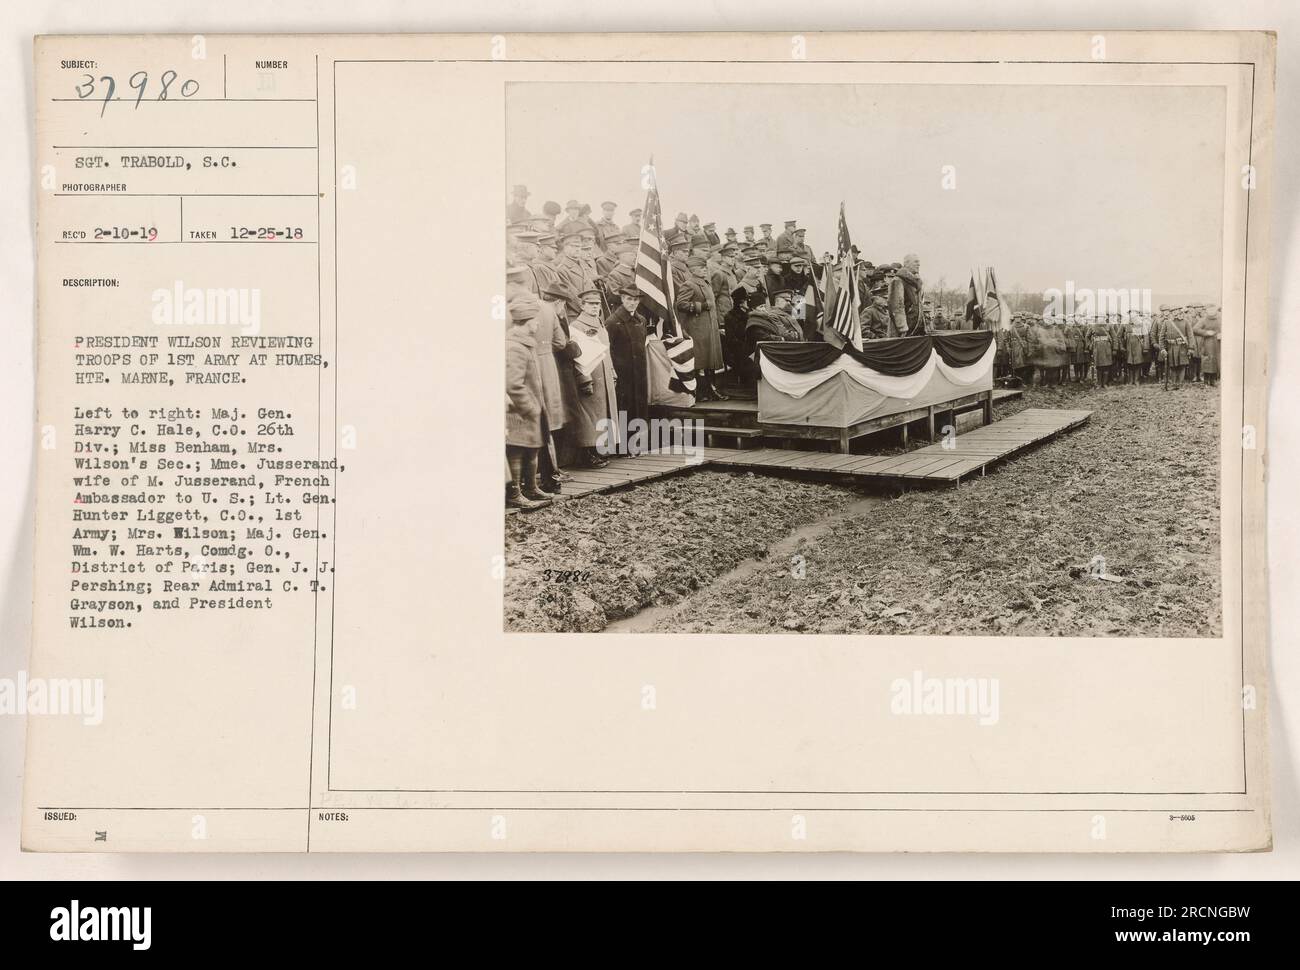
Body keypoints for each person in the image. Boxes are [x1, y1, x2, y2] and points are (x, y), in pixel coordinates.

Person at [504, 293, 552, 510]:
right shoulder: (515, 346)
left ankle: (531, 487)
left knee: (532, 449)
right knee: (517, 451)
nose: (537, 323)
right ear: (525, 321)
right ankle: (515, 492)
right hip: (519, 412)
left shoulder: (525, 343)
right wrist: (529, 406)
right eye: (534, 319)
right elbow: (513, 384)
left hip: (531, 410)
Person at [568, 288, 620, 465]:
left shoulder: (599, 323)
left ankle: (600, 449)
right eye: (590, 304)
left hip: (604, 374)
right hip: (590, 374)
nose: (594, 307)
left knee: (603, 413)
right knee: (590, 415)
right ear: (582, 306)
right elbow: (577, 357)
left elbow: (606, 350)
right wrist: (584, 379)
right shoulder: (576, 326)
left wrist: (612, 370)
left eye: (597, 303)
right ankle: (588, 453)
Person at [676, 255, 727, 401]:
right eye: (701, 268)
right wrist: (701, 307)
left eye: (705, 268)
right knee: (700, 361)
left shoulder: (705, 283)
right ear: (693, 270)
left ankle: (711, 390)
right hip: (697, 328)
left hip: (709, 327)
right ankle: (701, 391)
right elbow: (681, 304)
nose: (705, 270)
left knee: (710, 360)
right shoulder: (689, 284)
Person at [605, 286, 652, 435]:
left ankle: (639, 441)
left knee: (640, 403)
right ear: (622, 299)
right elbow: (609, 348)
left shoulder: (641, 320)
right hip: (623, 373)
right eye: (629, 299)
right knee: (625, 406)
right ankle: (624, 445)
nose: (632, 303)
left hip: (639, 371)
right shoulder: (613, 322)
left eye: (635, 300)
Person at [1194, 306, 1221, 386]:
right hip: (1207, 343)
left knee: (1216, 360)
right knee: (1207, 360)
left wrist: (1222, 334)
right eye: (1210, 310)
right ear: (1207, 311)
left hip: (1218, 343)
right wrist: (1206, 332)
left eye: (1213, 310)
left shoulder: (1219, 319)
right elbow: (1195, 329)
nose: (1211, 312)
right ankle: (1206, 381)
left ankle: (1213, 380)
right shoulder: (1203, 320)